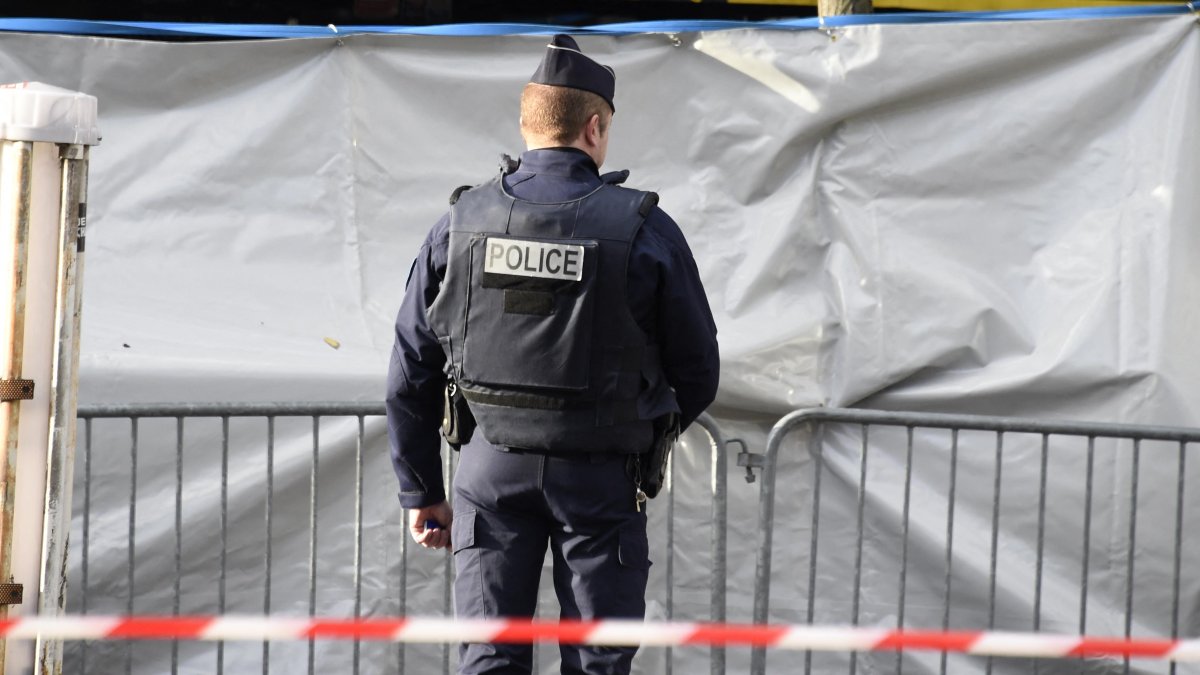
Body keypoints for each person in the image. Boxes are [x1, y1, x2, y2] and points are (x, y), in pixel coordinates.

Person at [385, 34, 720, 675]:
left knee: (489, 659)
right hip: (602, 476)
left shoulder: (460, 223)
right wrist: (645, 431)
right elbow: (698, 369)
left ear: (528, 123)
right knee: (597, 663)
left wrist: (420, 489)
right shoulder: (644, 228)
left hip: (489, 472)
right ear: (595, 126)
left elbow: (410, 366)